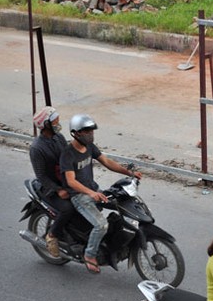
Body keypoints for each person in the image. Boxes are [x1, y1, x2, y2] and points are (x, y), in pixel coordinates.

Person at [59, 114, 142, 274]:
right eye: (86, 131)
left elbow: (107, 162)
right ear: (75, 133)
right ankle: (89, 255)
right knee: (101, 225)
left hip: (93, 190)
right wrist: (91, 193)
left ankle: (110, 243)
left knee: (120, 203)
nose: (90, 134)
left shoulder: (90, 147)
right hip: (79, 196)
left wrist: (129, 172)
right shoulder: (68, 154)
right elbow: (71, 181)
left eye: (91, 130)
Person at [29, 106, 76, 257]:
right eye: (55, 121)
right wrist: (58, 190)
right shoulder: (37, 148)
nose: (58, 122)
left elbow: (68, 156)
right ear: (46, 124)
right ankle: (53, 235)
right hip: (50, 188)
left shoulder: (59, 137)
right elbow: (41, 176)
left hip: (65, 181)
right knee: (68, 209)